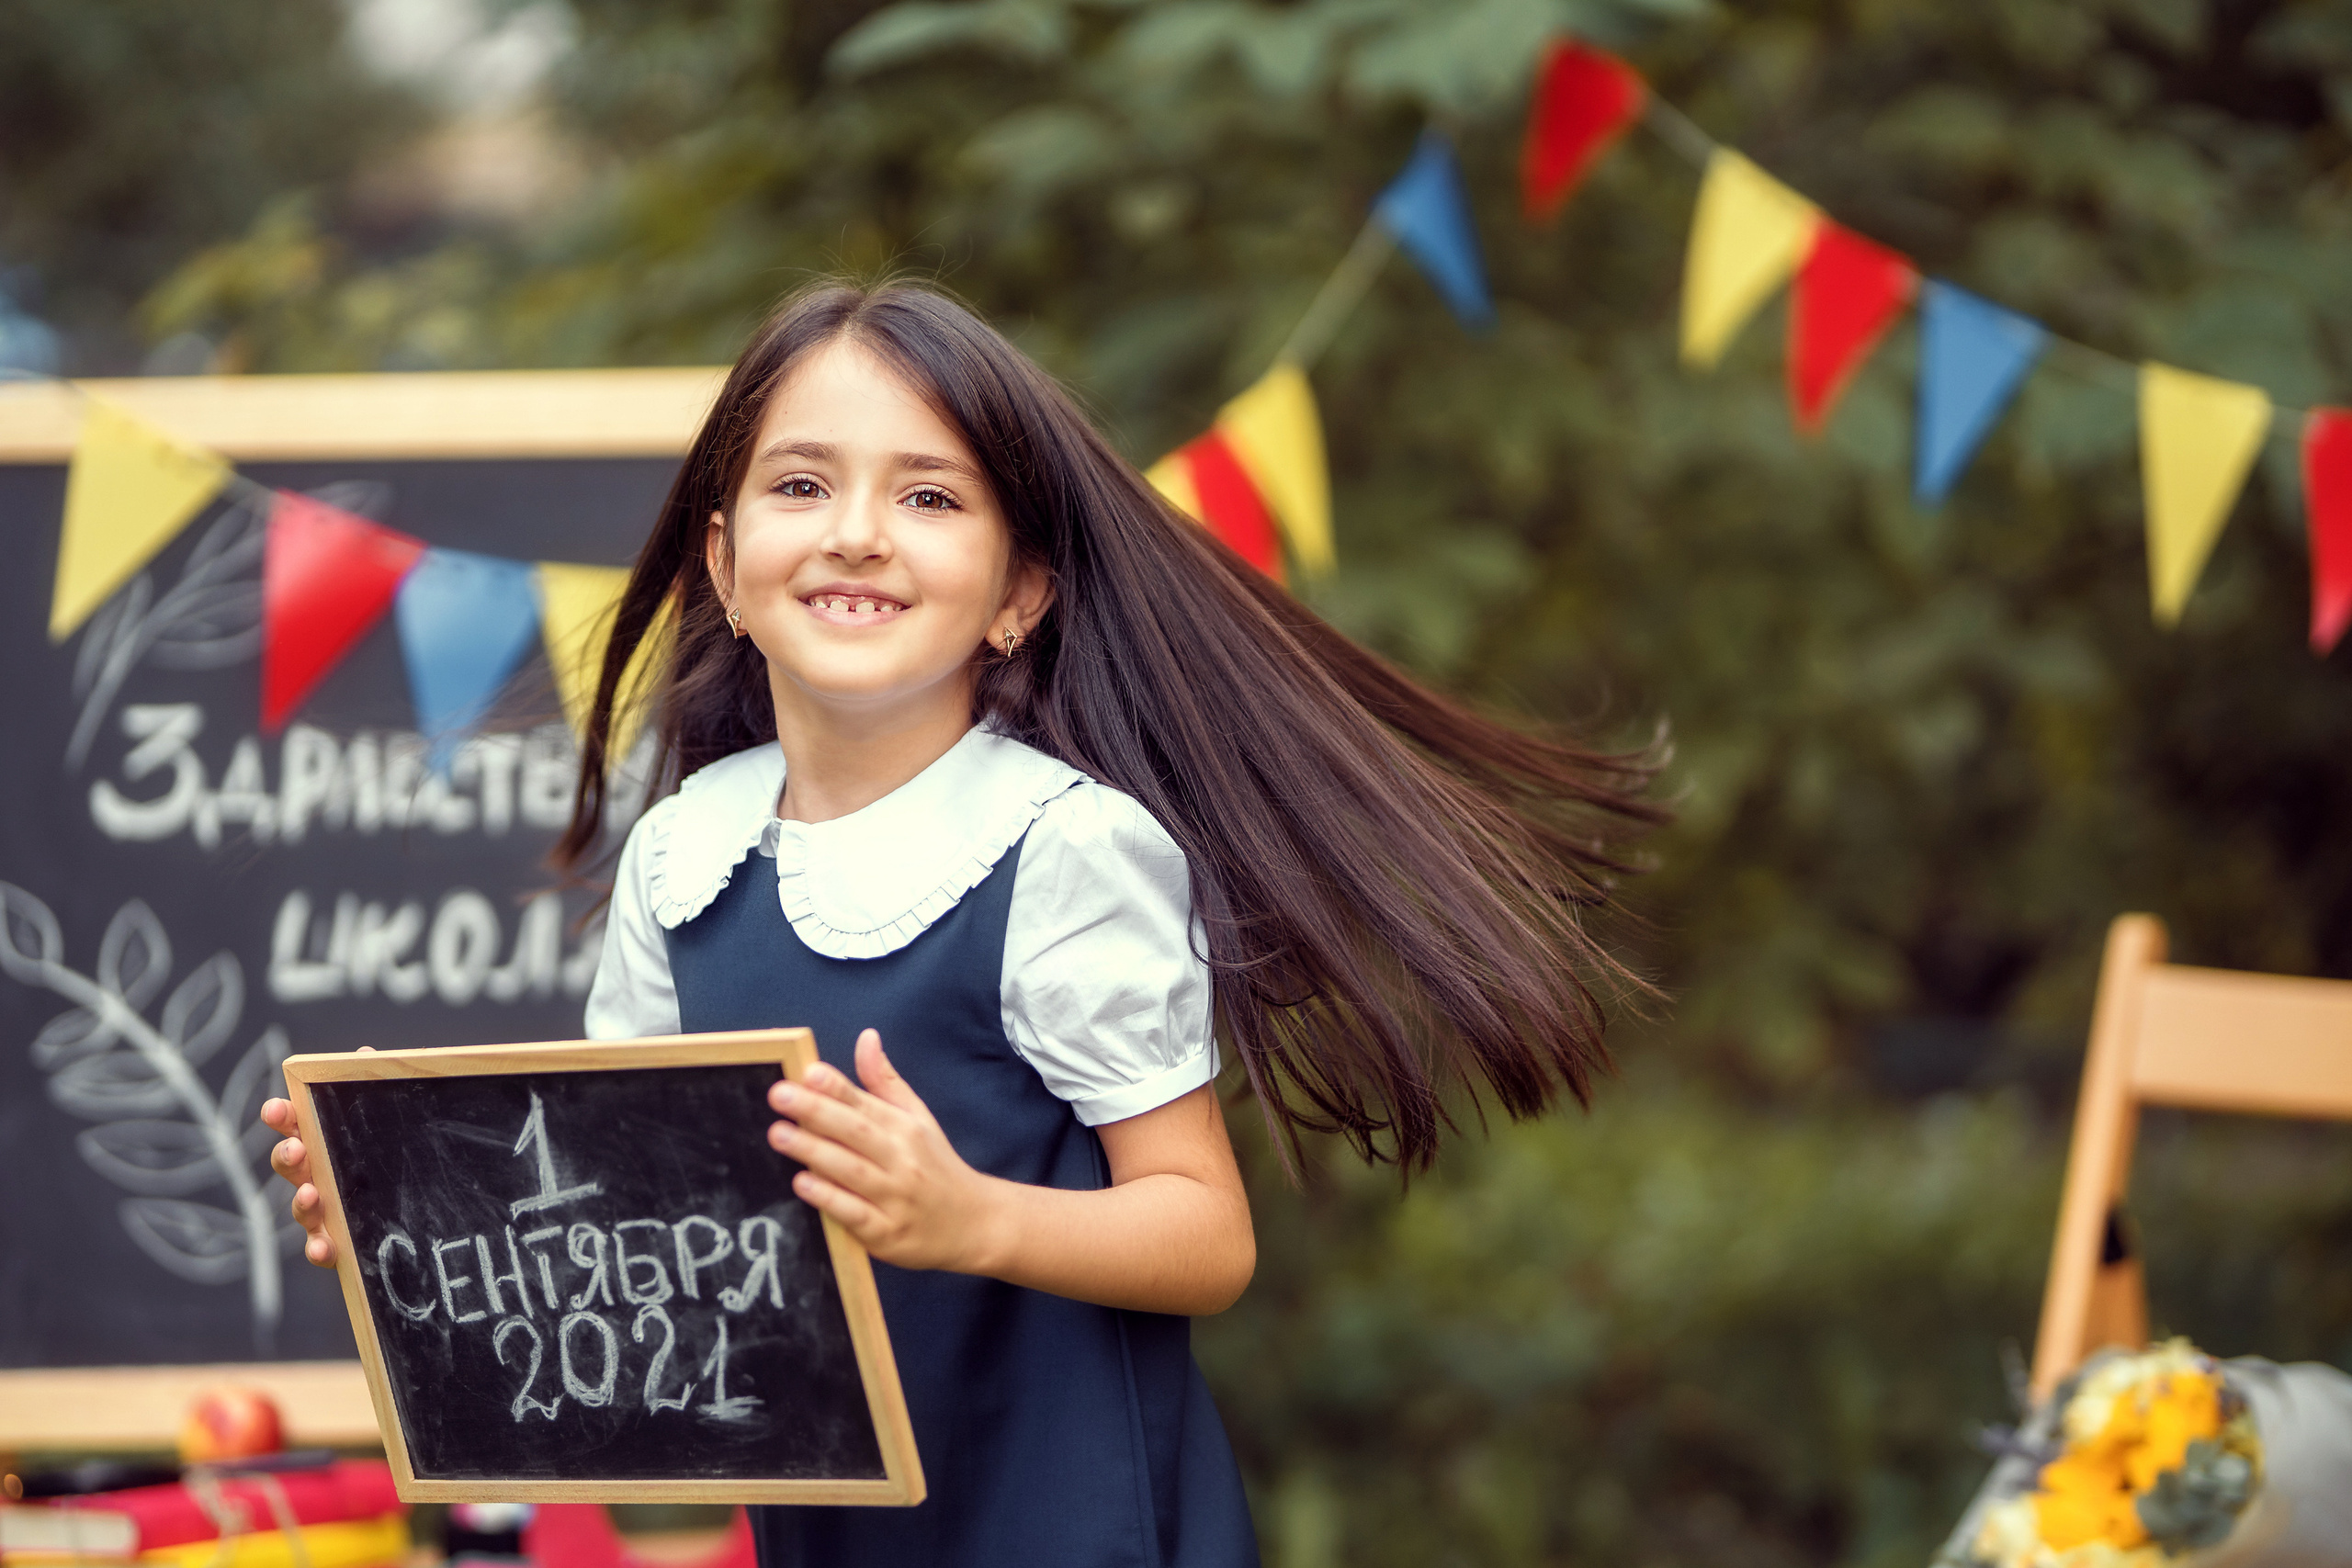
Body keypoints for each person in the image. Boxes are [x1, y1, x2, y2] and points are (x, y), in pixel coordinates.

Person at [261, 278, 1663, 1566]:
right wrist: (428, 1227)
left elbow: (1203, 1237)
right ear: (729, 562)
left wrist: (968, 1217)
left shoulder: (1064, 848)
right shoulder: (685, 852)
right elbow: (643, 1268)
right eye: (803, 483)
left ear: (1019, 595)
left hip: (1077, 1530)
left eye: (932, 498)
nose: (859, 530)